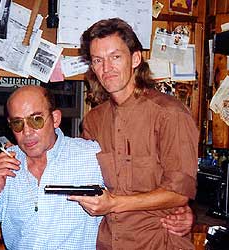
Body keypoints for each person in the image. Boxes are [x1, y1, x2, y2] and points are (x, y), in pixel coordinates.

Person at [69, 18, 198, 250]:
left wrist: (114, 204)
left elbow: (179, 194)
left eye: (115, 57)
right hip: (109, 243)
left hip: (159, 243)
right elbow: (85, 179)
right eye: (98, 60)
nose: (106, 68)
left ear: (135, 59)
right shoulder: (93, 121)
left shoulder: (170, 114)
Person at [0, 85, 104, 249]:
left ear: (55, 119)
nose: (27, 132)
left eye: (36, 120)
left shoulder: (91, 156)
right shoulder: (6, 164)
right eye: (18, 123)